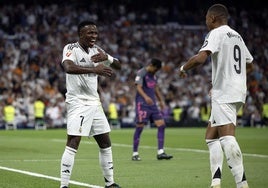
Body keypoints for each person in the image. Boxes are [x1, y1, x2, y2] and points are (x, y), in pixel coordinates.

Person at [178, 4, 253, 188]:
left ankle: (242, 184)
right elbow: (249, 64)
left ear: (212, 18)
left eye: (206, 18)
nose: (205, 22)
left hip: (224, 92)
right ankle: (216, 181)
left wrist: (183, 68)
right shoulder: (237, 35)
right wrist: (233, 79)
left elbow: (201, 58)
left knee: (227, 137)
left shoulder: (216, 33)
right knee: (211, 137)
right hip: (236, 91)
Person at [60, 21, 121, 188]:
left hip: (95, 102)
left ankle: (110, 183)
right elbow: (68, 67)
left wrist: (107, 58)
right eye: (90, 33)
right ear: (81, 34)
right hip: (77, 102)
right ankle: (64, 185)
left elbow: (119, 66)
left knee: (105, 142)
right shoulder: (71, 48)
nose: (94, 36)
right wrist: (95, 70)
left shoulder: (97, 50)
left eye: (95, 33)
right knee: (73, 141)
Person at [132, 58, 173, 161]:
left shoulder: (154, 75)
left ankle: (160, 152)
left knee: (161, 125)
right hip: (142, 104)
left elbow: (155, 89)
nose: (156, 71)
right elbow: (138, 87)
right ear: (151, 65)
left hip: (152, 105)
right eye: (155, 69)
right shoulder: (141, 72)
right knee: (140, 126)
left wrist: (161, 101)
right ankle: (135, 153)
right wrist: (146, 97)